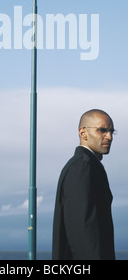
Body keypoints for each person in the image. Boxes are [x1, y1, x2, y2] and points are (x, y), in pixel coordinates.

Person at [52, 109, 116, 260]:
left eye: (112, 131)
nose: (109, 137)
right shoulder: (83, 166)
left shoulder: (87, 165)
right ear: (83, 133)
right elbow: (82, 230)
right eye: (102, 130)